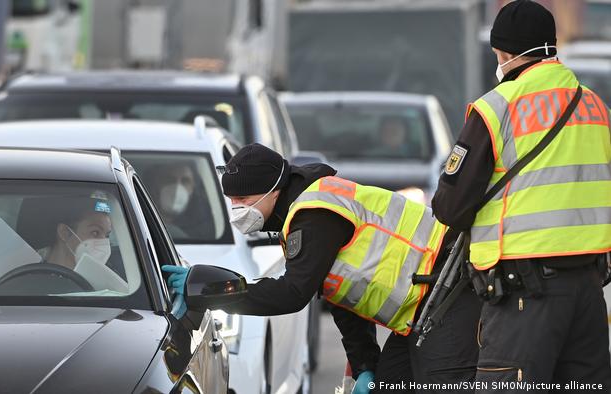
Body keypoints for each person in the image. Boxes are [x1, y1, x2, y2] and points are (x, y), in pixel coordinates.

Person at [165, 143, 482, 393]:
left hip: (449, 296)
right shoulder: (301, 214)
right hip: (423, 311)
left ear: (273, 189)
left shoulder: (315, 213)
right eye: (232, 200)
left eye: (243, 199)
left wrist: (214, 292)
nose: (237, 209)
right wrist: (364, 366)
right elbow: (343, 295)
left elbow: (292, 294)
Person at [431, 0, 611, 390]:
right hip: (588, 290)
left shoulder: (497, 108)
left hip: (525, 294)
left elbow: (450, 206)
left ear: (505, 53)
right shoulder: (596, 107)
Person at [39, 197, 112, 270]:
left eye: (107, 235)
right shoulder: (32, 275)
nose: (103, 243)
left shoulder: (103, 278)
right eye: (95, 233)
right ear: (65, 233)